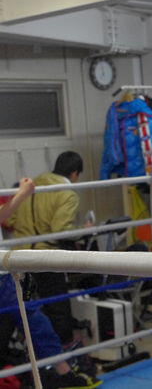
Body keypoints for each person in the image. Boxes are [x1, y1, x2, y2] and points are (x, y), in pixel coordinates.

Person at [0, 178, 101, 388]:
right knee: (32, 319)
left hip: (6, 271)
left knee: (34, 320)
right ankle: (62, 371)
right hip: (13, 266)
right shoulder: (66, 195)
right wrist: (23, 193)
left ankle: (63, 372)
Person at [6, 151, 87, 349]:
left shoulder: (30, 185)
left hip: (19, 256)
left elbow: (11, 219)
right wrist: (84, 230)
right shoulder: (66, 193)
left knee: (24, 309)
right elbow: (61, 229)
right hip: (44, 256)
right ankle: (65, 349)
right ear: (74, 173)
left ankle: (32, 350)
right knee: (57, 305)